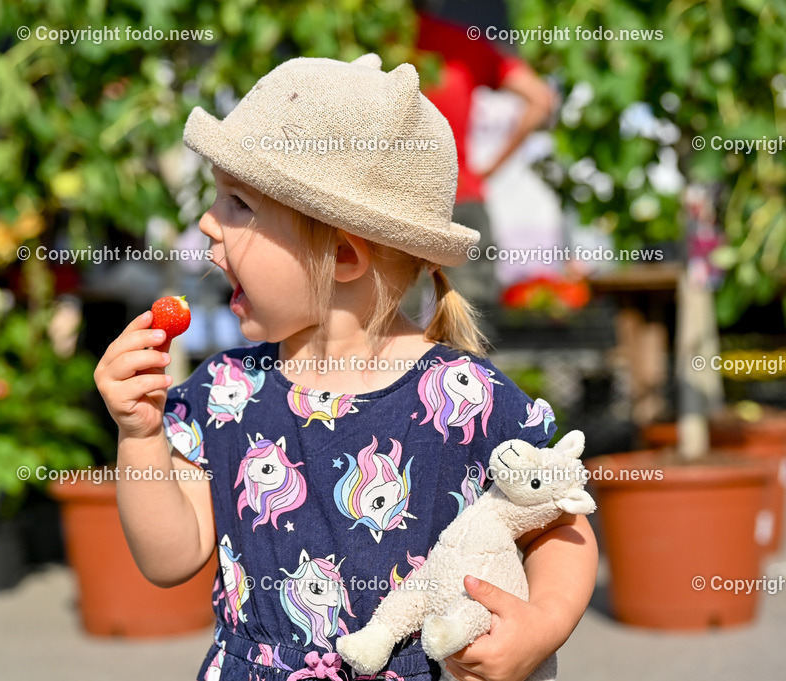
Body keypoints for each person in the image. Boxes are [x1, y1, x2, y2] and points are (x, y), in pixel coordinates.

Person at [95, 54, 596, 681]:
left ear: (343, 252)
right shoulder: (226, 394)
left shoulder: (465, 398)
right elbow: (170, 556)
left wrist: (542, 624)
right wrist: (140, 435)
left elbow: (561, 523)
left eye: (239, 205)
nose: (206, 223)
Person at [416, 9, 558, 308]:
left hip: (387, 197)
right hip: (460, 192)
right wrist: (487, 171)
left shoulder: (370, 42)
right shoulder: (461, 43)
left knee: (387, 323)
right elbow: (541, 99)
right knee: (470, 320)